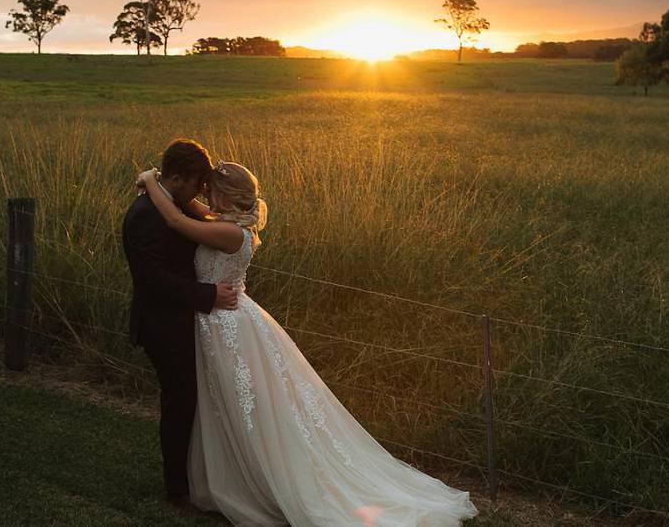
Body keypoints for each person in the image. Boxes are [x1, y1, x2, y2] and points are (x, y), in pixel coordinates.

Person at [136, 160, 478, 526]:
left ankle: (260, 480)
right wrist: (166, 185)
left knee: (243, 407)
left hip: (225, 324)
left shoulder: (231, 234)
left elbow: (177, 220)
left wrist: (148, 180)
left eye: (211, 192)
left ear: (228, 199)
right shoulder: (231, 222)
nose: (205, 196)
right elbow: (191, 209)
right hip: (221, 319)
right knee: (229, 406)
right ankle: (229, 474)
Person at [122, 139, 239, 506]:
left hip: (186, 320)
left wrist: (150, 179)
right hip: (162, 324)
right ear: (175, 178)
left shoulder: (174, 202)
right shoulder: (144, 214)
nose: (199, 192)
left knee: (191, 399)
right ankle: (177, 487)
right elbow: (152, 277)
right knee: (180, 401)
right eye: (195, 183)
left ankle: (197, 477)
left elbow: (190, 221)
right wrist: (207, 295)